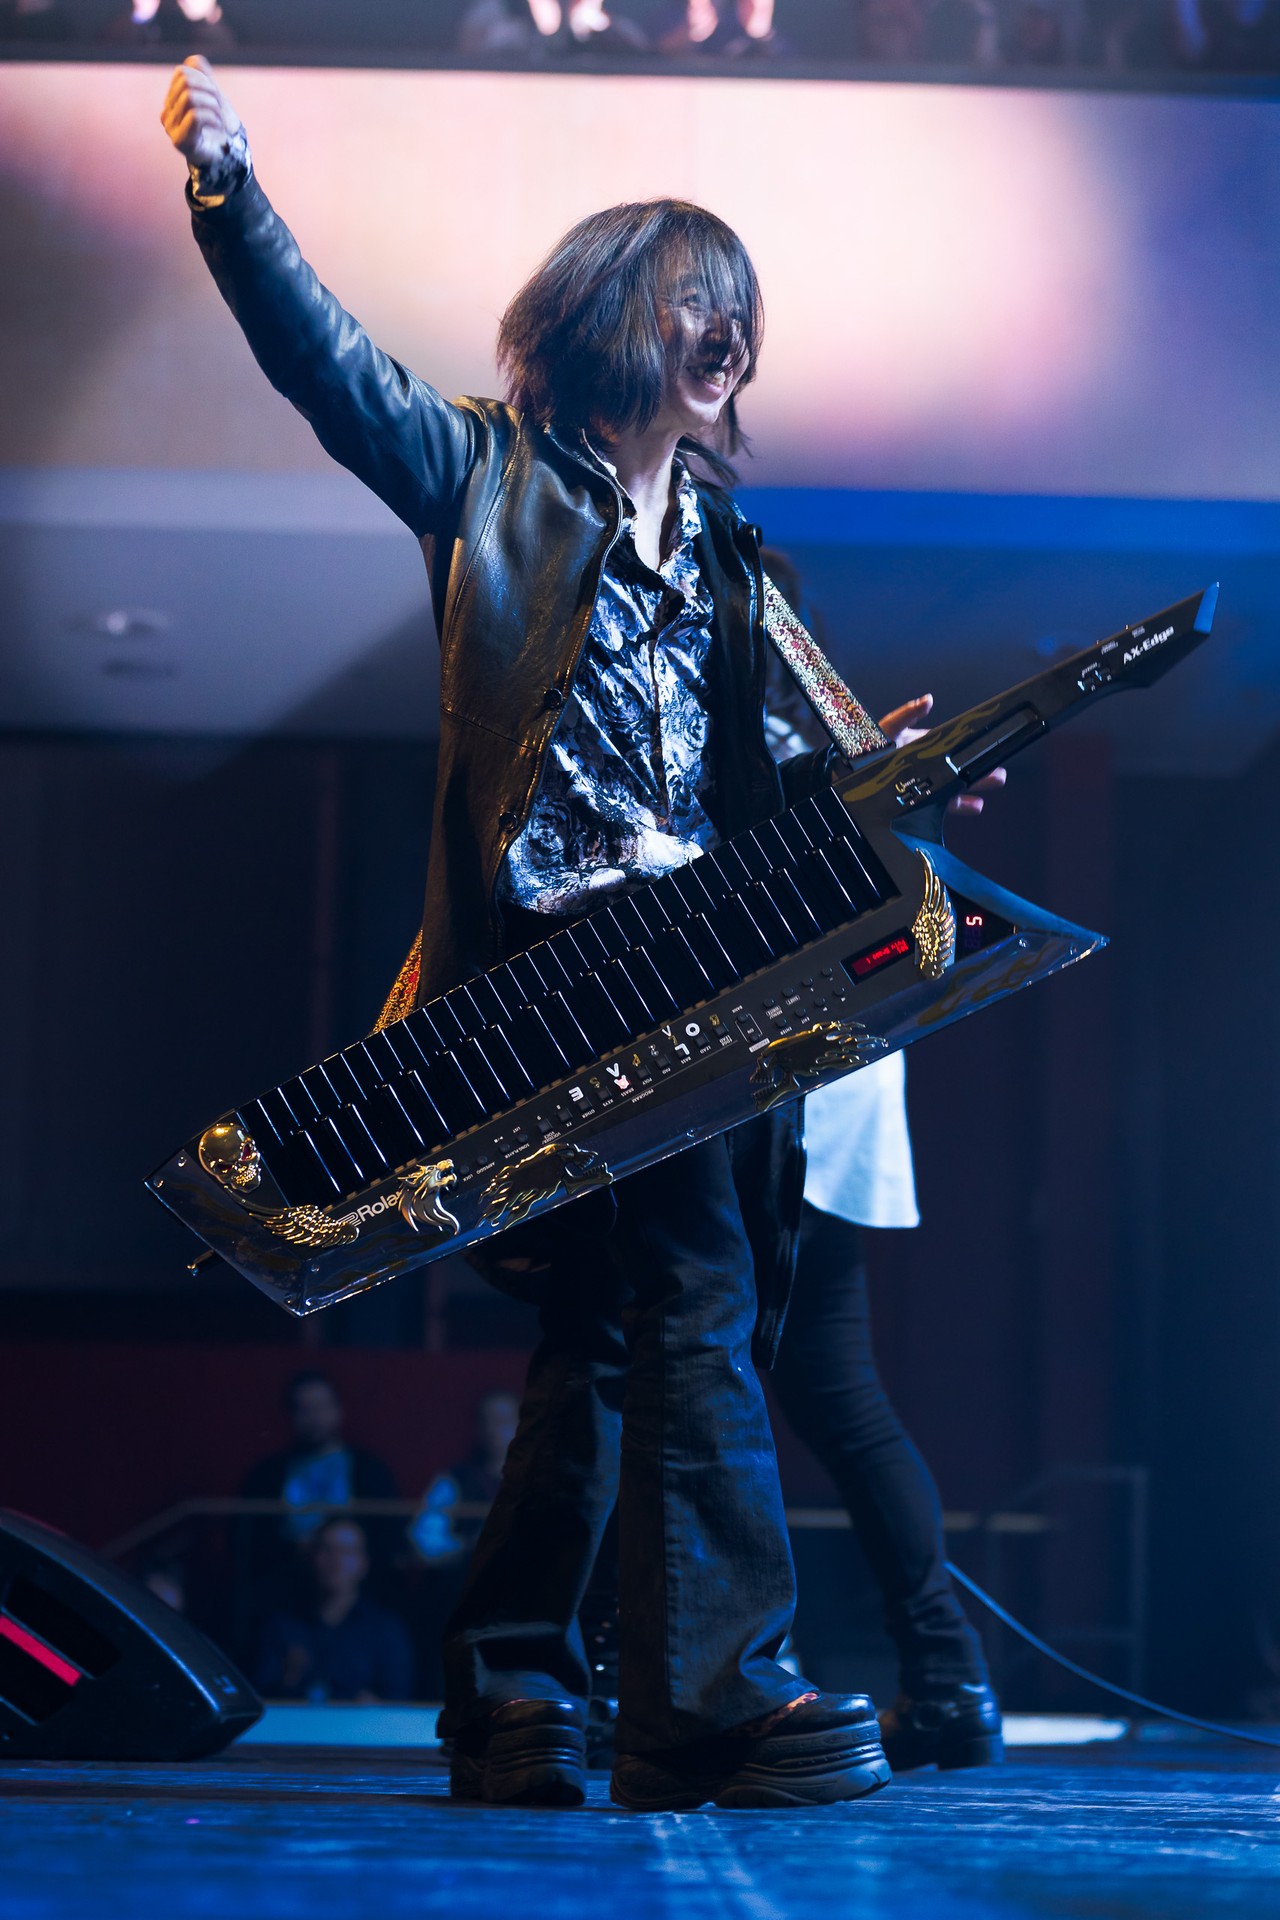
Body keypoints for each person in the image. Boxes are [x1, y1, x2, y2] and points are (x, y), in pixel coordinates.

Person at [160, 54, 938, 1811]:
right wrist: (229, 190)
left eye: (741, 315)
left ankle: (512, 1691)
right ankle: (709, 1701)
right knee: (695, 1293)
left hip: (698, 974)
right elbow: (328, 366)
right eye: (695, 305)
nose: (727, 336)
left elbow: (804, 769)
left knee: (613, 1335)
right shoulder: (489, 475)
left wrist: (891, 770)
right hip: (548, 984)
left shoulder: (734, 561)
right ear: (610, 321)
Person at [255, 1518, 415, 1702]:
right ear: (311, 1558)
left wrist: (374, 1709)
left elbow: (399, 1701)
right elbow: (260, 1698)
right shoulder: (281, 1627)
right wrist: (288, 1678)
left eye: (346, 1552)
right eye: (327, 1550)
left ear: (364, 1563)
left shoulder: (386, 1631)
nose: (336, 1561)